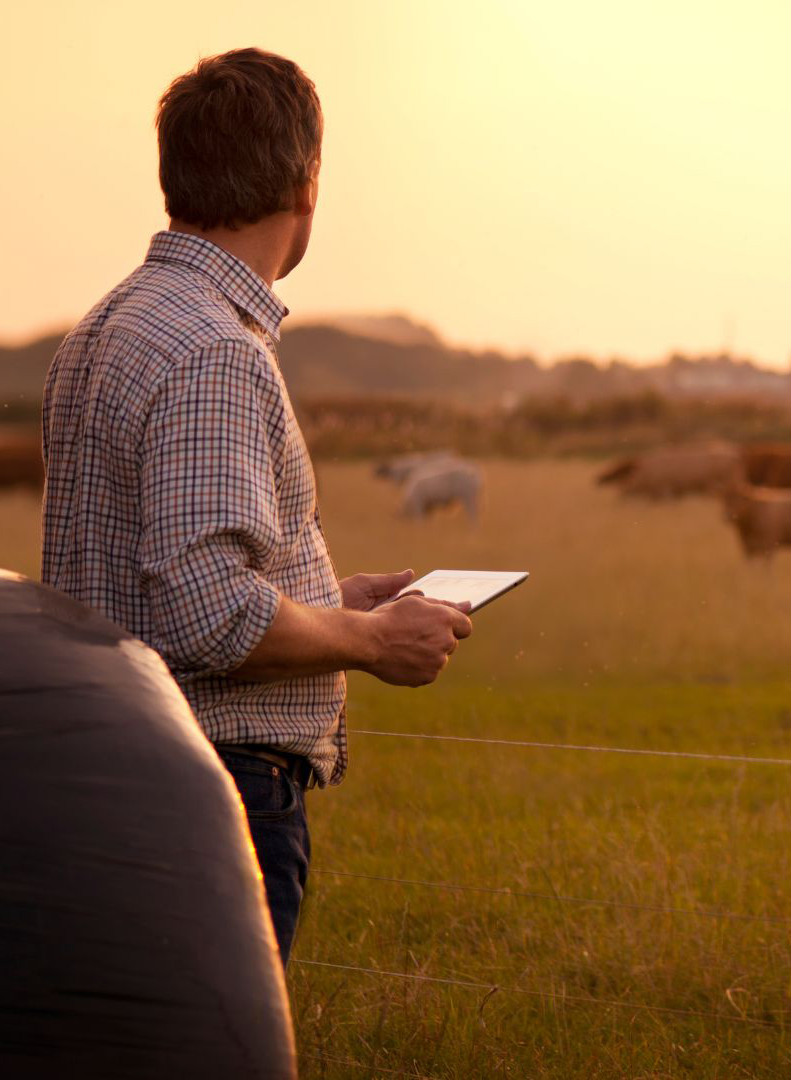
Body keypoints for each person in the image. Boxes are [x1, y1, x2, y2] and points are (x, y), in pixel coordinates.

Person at [40, 47, 472, 966]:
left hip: (112, 769)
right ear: (306, 185)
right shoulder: (213, 351)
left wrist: (330, 601)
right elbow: (208, 616)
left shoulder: (104, 328)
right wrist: (373, 640)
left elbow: (153, 580)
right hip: (213, 790)